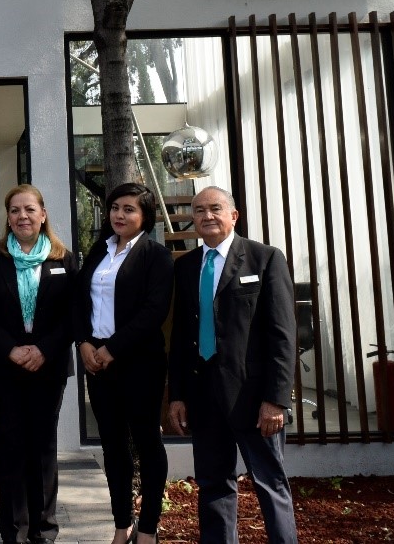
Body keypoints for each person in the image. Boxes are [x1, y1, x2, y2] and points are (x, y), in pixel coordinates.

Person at [167, 186, 299, 544]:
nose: (207, 216)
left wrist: (276, 400)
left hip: (254, 400)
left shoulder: (264, 258)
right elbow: (181, 336)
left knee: (270, 483)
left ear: (233, 215)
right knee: (213, 485)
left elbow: (283, 335)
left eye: (215, 208)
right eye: (199, 210)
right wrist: (177, 395)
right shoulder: (186, 266)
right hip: (203, 397)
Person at [0, 184, 78, 544]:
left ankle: (43, 529)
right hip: (4, 366)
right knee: (11, 445)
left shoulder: (64, 258)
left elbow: (74, 314)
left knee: (43, 447)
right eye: (15, 210)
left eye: (30, 209)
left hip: (49, 365)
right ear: (8, 217)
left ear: (43, 215)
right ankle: (13, 530)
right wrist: (11, 349)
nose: (22, 216)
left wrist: (44, 349)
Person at [74, 182, 175, 544]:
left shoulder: (155, 255)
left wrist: (112, 349)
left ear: (145, 215)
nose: (119, 214)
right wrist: (84, 343)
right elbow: (79, 303)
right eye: (115, 207)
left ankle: (148, 529)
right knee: (113, 447)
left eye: (129, 209)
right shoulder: (99, 251)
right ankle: (123, 525)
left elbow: (154, 311)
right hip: (98, 365)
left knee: (147, 444)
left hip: (139, 364)